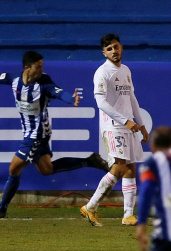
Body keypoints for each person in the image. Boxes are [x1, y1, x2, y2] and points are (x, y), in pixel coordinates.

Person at [0, 51, 109, 218]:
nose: (41, 71)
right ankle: (89, 161)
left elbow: (59, 92)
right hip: (30, 133)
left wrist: (71, 99)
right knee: (46, 169)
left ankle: (2, 208)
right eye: (38, 67)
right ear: (27, 68)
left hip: (37, 134)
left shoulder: (44, 83)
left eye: (42, 67)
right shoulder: (13, 79)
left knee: (14, 168)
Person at [80, 34, 149, 227]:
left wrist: (141, 123)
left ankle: (123, 214)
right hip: (113, 126)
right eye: (109, 49)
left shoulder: (126, 70)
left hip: (128, 125)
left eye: (116, 47)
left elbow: (132, 98)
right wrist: (125, 120)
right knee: (121, 167)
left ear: (121, 47)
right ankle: (95, 207)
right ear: (104, 53)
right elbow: (101, 102)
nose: (114, 51)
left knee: (130, 168)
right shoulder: (102, 72)